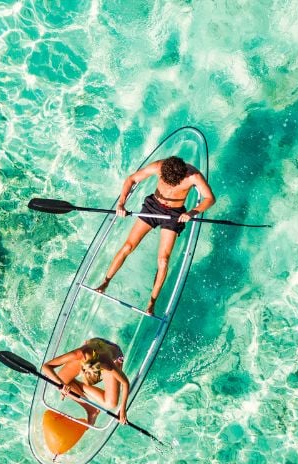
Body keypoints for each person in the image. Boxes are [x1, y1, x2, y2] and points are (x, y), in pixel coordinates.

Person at [94, 156, 215, 315]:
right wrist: (121, 203)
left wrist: (192, 212)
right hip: (153, 207)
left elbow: (210, 198)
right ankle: (105, 282)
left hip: (174, 214)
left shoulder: (193, 176)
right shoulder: (159, 166)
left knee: (163, 260)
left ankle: (151, 303)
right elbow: (131, 179)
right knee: (128, 246)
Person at [41, 338, 130, 425]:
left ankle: (77, 385)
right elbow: (46, 366)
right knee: (58, 381)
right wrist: (61, 384)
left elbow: (125, 383)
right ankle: (91, 410)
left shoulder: (108, 365)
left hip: (113, 356)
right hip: (94, 348)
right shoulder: (78, 354)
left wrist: (123, 410)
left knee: (111, 403)